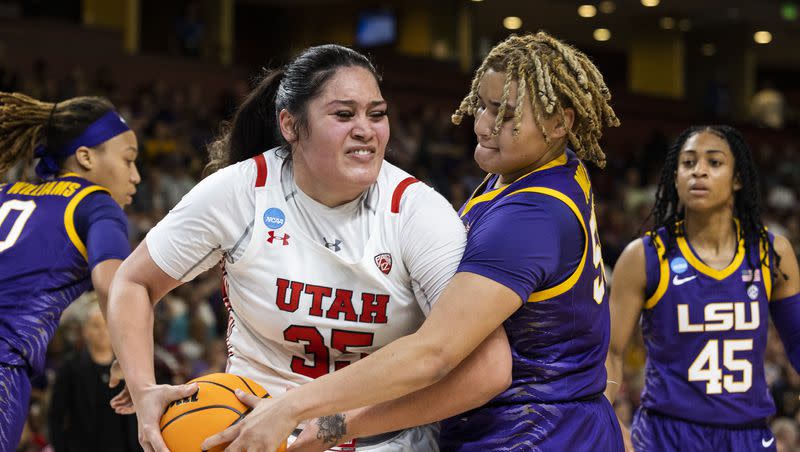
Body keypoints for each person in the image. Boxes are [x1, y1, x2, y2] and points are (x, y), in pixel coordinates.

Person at [197, 31, 623, 452]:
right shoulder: (550, 173)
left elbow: (434, 353)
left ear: (560, 122)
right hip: (561, 422)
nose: (485, 125)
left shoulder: (527, 217)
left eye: (506, 114)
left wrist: (303, 413)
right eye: (483, 106)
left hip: (533, 433)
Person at [107, 44, 510, 451]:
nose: (366, 129)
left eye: (377, 113)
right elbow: (134, 282)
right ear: (290, 125)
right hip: (253, 429)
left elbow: (487, 368)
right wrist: (143, 389)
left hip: (382, 438)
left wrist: (332, 425)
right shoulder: (240, 192)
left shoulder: (418, 212)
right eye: (343, 114)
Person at [604, 125, 800, 451]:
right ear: (675, 177)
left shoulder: (771, 252)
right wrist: (609, 419)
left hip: (747, 434)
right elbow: (611, 351)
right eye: (688, 162)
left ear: (738, 179)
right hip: (665, 434)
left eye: (714, 162)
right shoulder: (644, 256)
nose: (699, 171)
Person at [0, 92, 140, 450]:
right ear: (85, 157)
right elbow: (114, 284)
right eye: (128, 160)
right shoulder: (96, 203)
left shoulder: (5, 193)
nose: (136, 176)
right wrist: (132, 362)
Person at [48, 296, 140, 451]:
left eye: (107, 325)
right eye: (96, 326)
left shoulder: (130, 366)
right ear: (85, 331)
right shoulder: (70, 368)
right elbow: (56, 415)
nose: (102, 331)